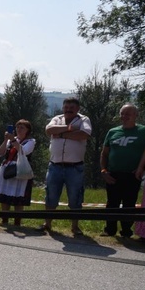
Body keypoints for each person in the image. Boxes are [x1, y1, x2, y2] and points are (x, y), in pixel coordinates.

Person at [40, 97, 92, 235]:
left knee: (75, 198)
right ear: (63, 108)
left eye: (71, 108)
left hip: (74, 168)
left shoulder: (84, 120)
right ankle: (47, 223)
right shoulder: (57, 118)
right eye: (66, 107)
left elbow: (84, 134)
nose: (68, 110)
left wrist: (61, 134)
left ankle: (75, 227)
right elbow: (49, 130)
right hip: (55, 166)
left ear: (77, 109)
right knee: (51, 196)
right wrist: (69, 129)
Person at [99, 103, 145, 238]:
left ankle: (126, 231)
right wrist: (104, 170)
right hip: (113, 174)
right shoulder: (112, 132)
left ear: (136, 115)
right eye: (122, 113)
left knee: (129, 203)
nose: (124, 116)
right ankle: (110, 230)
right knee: (112, 203)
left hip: (133, 174)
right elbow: (104, 154)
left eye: (128, 114)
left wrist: (143, 168)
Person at [0, 120, 36, 226]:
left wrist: (13, 140)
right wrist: (5, 141)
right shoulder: (11, 140)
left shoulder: (30, 141)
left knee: (18, 197)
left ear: (27, 130)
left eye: (22, 128)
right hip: (7, 169)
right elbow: (0, 153)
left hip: (20, 170)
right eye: (18, 127)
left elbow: (23, 151)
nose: (19, 129)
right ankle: (4, 220)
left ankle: (17, 223)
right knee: (5, 196)